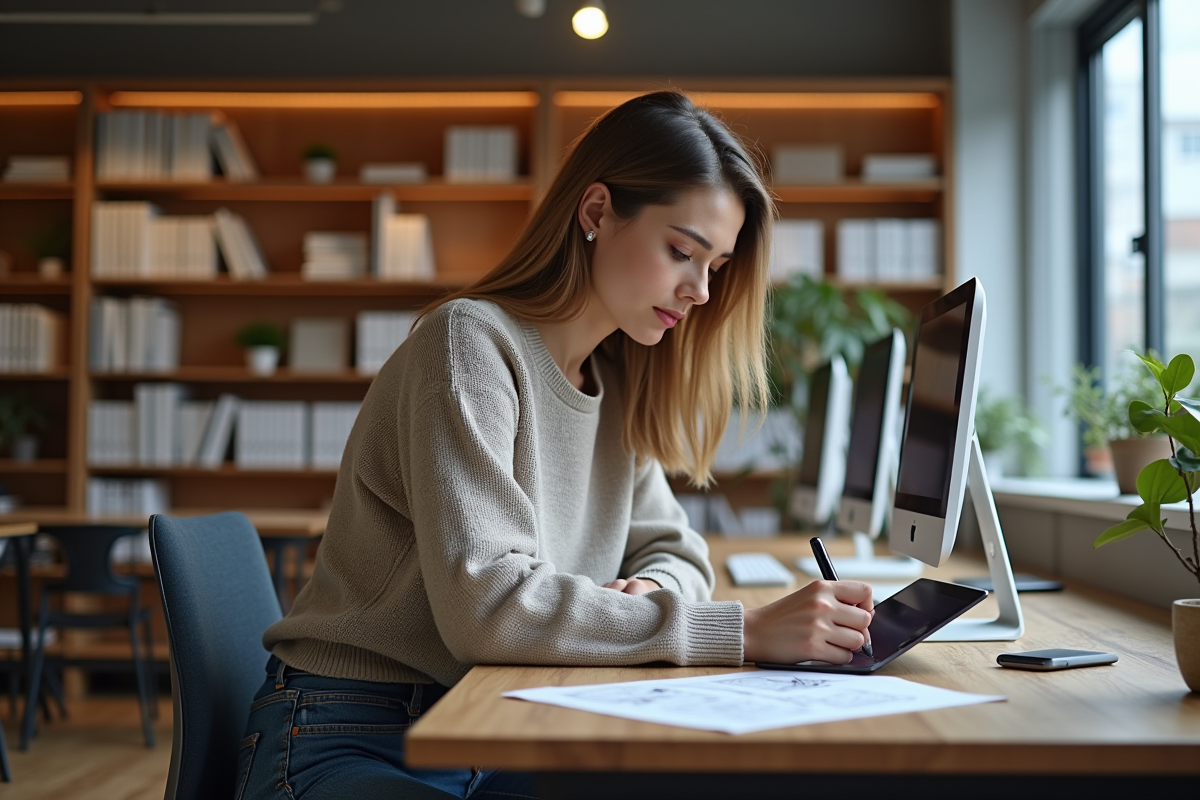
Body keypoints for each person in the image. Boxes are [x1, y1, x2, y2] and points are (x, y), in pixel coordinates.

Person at [236, 90, 874, 800]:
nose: (698, 290)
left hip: (497, 726)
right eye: (681, 252)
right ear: (596, 211)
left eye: (716, 267)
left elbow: (677, 550)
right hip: (351, 732)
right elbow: (493, 610)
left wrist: (653, 590)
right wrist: (741, 632)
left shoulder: (617, 376)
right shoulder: (469, 345)